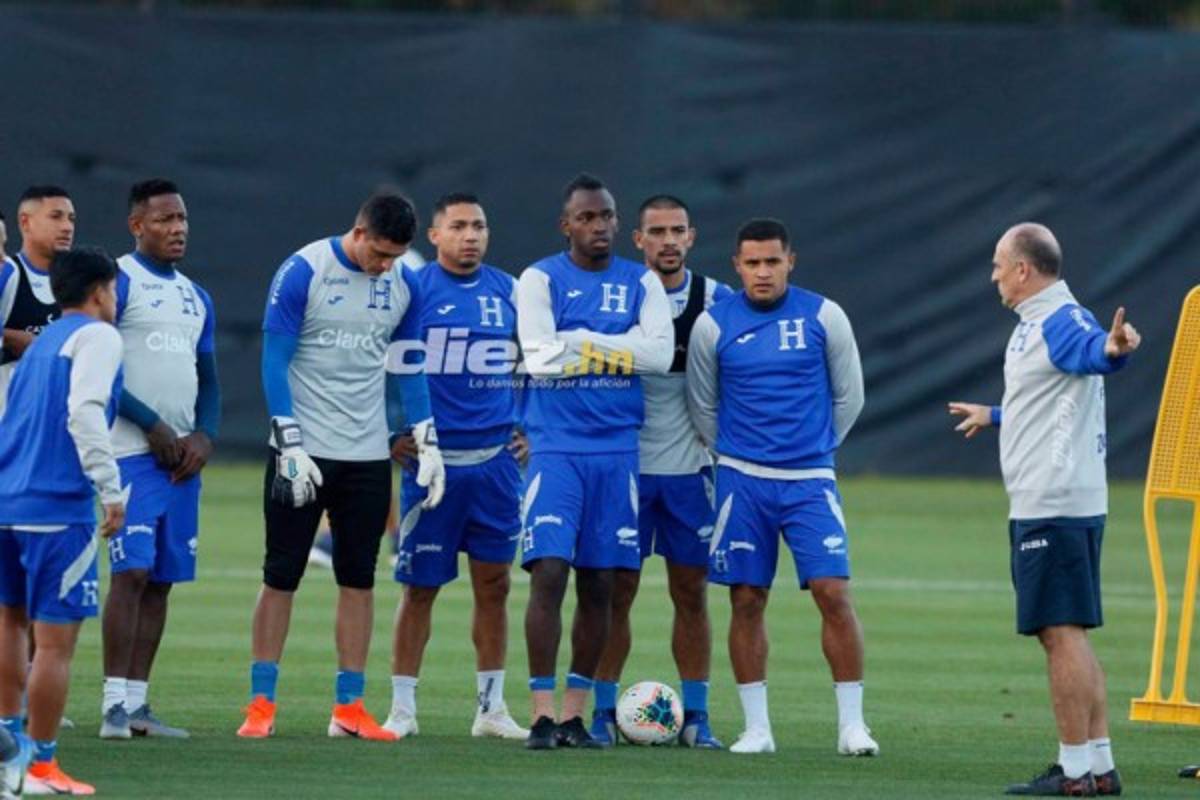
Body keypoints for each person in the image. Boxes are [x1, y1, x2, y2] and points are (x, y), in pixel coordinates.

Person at [237, 192, 445, 742]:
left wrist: (427, 437)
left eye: (395, 256)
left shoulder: (405, 283)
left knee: (359, 579)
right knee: (281, 575)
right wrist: (289, 440)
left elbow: (410, 364)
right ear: (358, 232)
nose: (384, 266)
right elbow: (273, 359)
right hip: (302, 451)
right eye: (378, 253)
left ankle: (349, 708)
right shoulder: (305, 269)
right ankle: (261, 704)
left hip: (368, 453)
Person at [948, 222, 1138, 797]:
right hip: (1058, 498)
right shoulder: (1038, 323)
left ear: (1024, 270)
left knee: (1060, 634)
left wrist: (1113, 349)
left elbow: (1089, 355)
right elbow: (1054, 391)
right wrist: (998, 414)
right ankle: (1099, 765)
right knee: (1069, 632)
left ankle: (1074, 770)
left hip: (1054, 502)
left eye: (998, 265)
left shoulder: (1060, 320)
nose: (994, 275)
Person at [687, 218, 875, 756]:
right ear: (737, 267)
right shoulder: (713, 325)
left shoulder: (824, 315)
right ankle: (757, 730)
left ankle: (852, 727)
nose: (763, 272)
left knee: (833, 592)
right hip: (743, 482)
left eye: (773, 261)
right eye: (753, 263)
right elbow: (703, 404)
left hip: (810, 480)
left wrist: (814, 448)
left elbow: (850, 396)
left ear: (791, 260)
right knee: (747, 598)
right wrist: (739, 455)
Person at [516, 173, 673, 749]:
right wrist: (617, 345)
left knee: (601, 582)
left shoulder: (642, 281)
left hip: (617, 451)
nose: (600, 226)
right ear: (567, 226)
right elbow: (538, 357)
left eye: (606, 216)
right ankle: (539, 713)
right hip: (556, 448)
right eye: (587, 217)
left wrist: (577, 340)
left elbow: (658, 356)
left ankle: (576, 716)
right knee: (550, 572)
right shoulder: (539, 278)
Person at [383, 193, 528, 740]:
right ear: (436, 236)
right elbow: (376, 360)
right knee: (419, 587)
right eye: (459, 226)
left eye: (480, 226)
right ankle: (402, 709)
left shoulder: (509, 291)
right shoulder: (410, 291)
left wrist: (528, 429)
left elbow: (538, 361)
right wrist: (388, 429)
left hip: (494, 466)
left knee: (494, 585)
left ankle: (491, 709)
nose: (471, 235)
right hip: (431, 466)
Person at [589, 195, 730, 748]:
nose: (668, 240)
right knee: (613, 592)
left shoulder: (716, 301)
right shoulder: (616, 297)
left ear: (691, 237)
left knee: (691, 592)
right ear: (637, 240)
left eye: (678, 231)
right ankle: (602, 712)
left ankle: (696, 716)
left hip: (690, 471)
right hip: (623, 467)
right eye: (657, 232)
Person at [0, 247, 127, 795]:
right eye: (114, 290)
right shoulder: (98, 336)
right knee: (54, 645)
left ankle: (7, 752)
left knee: (9, 624)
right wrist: (111, 490)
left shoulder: (41, 342)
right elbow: (84, 412)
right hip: (57, 508)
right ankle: (41, 767)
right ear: (100, 291)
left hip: (7, 503)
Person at [98, 179, 220, 740]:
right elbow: (100, 367)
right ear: (136, 225)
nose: (178, 229)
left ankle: (140, 704)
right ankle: (111, 706)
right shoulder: (118, 281)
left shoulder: (198, 297)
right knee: (132, 572)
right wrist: (151, 423)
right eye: (165, 219)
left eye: (184, 220)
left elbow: (210, 380)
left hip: (180, 463)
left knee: (163, 580)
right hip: (128, 452)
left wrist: (205, 437)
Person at [0, 186, 77, 415]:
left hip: (51, 420)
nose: (67, 227)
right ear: (26, 222)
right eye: (56, 217)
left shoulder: (76, 284)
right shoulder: (8, 273)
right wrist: (12, 337)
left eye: (71, 219)